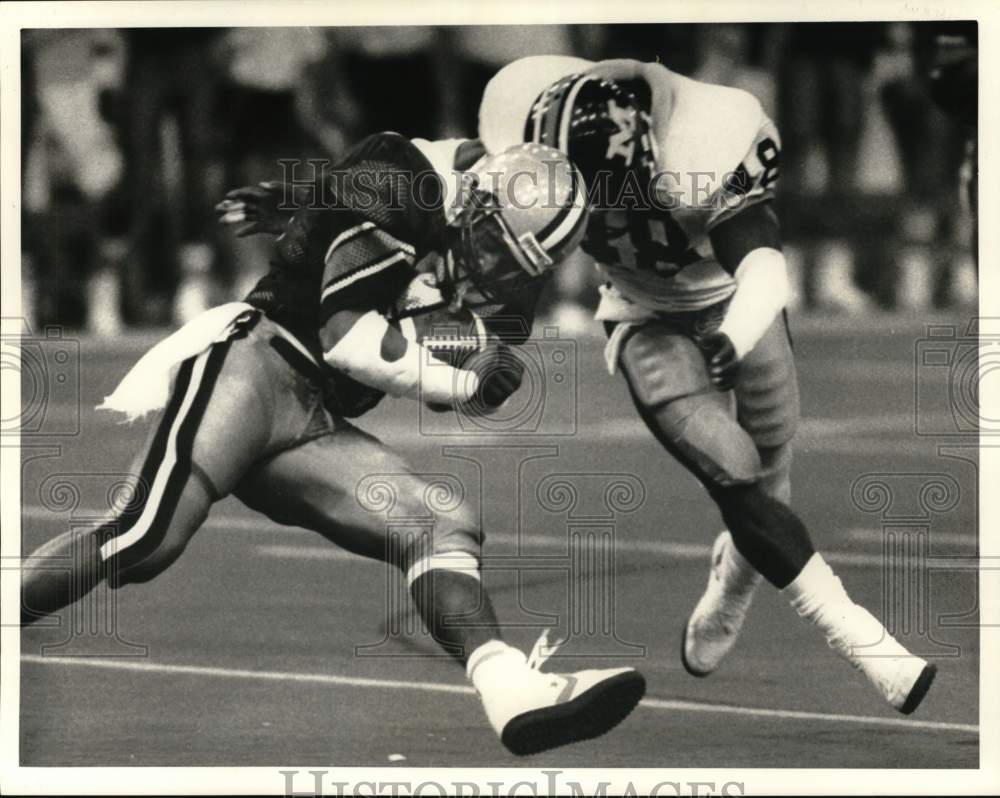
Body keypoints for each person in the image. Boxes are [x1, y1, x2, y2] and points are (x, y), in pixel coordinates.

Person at [20, 133, 645, 756]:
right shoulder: (403, 182)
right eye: (496, 250)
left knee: (441, 523)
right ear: (477, 205)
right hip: (255, 371)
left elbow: (435, 358)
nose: (501, 274)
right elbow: (351, 338)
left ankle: (511, 689)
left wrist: (470, 362)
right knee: (144, 538)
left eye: (521, 267)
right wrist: (464, 377)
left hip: (318, 417)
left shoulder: (483, 243)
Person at [474, 55, 936, 714]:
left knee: (773, 470)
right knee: (736, 470)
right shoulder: (519, 127)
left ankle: (732, 584)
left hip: (730, 302)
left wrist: (732, 335)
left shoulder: (712, 141)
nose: (589, 211)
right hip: (641, 313)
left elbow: (763, 267)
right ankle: (864, 638)